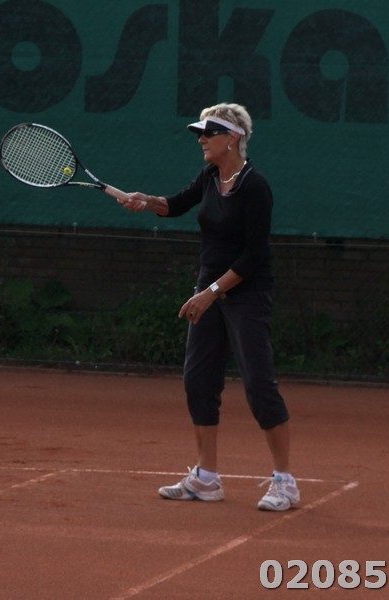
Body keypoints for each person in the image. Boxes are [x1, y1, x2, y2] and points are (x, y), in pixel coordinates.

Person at [118, 103, 299, 511]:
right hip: (209, 292)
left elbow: (254, 256)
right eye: (199, 133)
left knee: (259, 384)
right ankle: (206, 478)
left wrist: (212, 291)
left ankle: (285, 482)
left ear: (232, 138)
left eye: (209, 133)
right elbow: (176, 204)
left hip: (245, 295)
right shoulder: (210, 177)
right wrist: (146, 201)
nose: (201, 139)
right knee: (198, 381)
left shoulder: (255, 186)